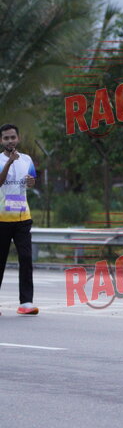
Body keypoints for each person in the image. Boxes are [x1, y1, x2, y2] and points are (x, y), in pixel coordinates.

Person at [0, 124, 38, 316]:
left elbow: (31, 181)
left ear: (18, 138)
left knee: (26, 259)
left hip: (23, 217)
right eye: (6, 138)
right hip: (1, 219)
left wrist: (31, 182)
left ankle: (26, 302)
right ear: (1, 141)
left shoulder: (27, 159)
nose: (10, 141)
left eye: (12, 137)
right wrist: (9, 163)